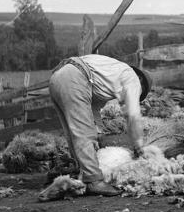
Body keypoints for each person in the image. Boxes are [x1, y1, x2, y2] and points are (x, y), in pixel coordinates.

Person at [48, 54, 153, 196]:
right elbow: (133, 115)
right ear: (141, 82)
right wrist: (139, 145)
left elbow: (93, 111)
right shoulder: (133, 78)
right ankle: (94, 181)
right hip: (76, 77)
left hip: (58, 77)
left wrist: (98, 134)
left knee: (73, 132)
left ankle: (80, 172)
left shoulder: (111, 72)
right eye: (139, 94)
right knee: (84, 133)